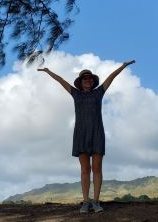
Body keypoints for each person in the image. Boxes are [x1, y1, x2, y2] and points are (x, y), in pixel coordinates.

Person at [38, 59, 135, 213]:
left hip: (97, 133)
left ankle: (96, 202)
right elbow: (61, 81)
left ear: (92, 81)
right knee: (85, 169)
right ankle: (85, 202)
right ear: (81, 82)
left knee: (97, 168)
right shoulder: (75, 94)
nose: (88, 80)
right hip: (81, 134)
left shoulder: (99, 93)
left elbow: (111, 77)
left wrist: (123, 66)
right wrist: (48, 71)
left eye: (90, 78)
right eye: (85, 78)